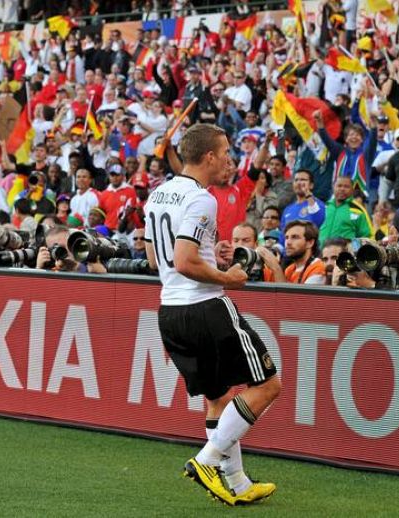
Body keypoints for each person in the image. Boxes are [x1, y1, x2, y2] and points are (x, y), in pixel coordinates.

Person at [145, 124, 279, 506]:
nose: (229, 162)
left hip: (170, 310)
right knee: (269, 386)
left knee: (217, 397)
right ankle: (207, 460)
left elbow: (159, 258)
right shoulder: (202, 198)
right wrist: (228, 277)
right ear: (207, 157)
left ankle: (236, 482)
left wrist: (209, 252)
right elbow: (185, 261)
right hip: (205, 307)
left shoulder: (158, 193)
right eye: (224, 154)